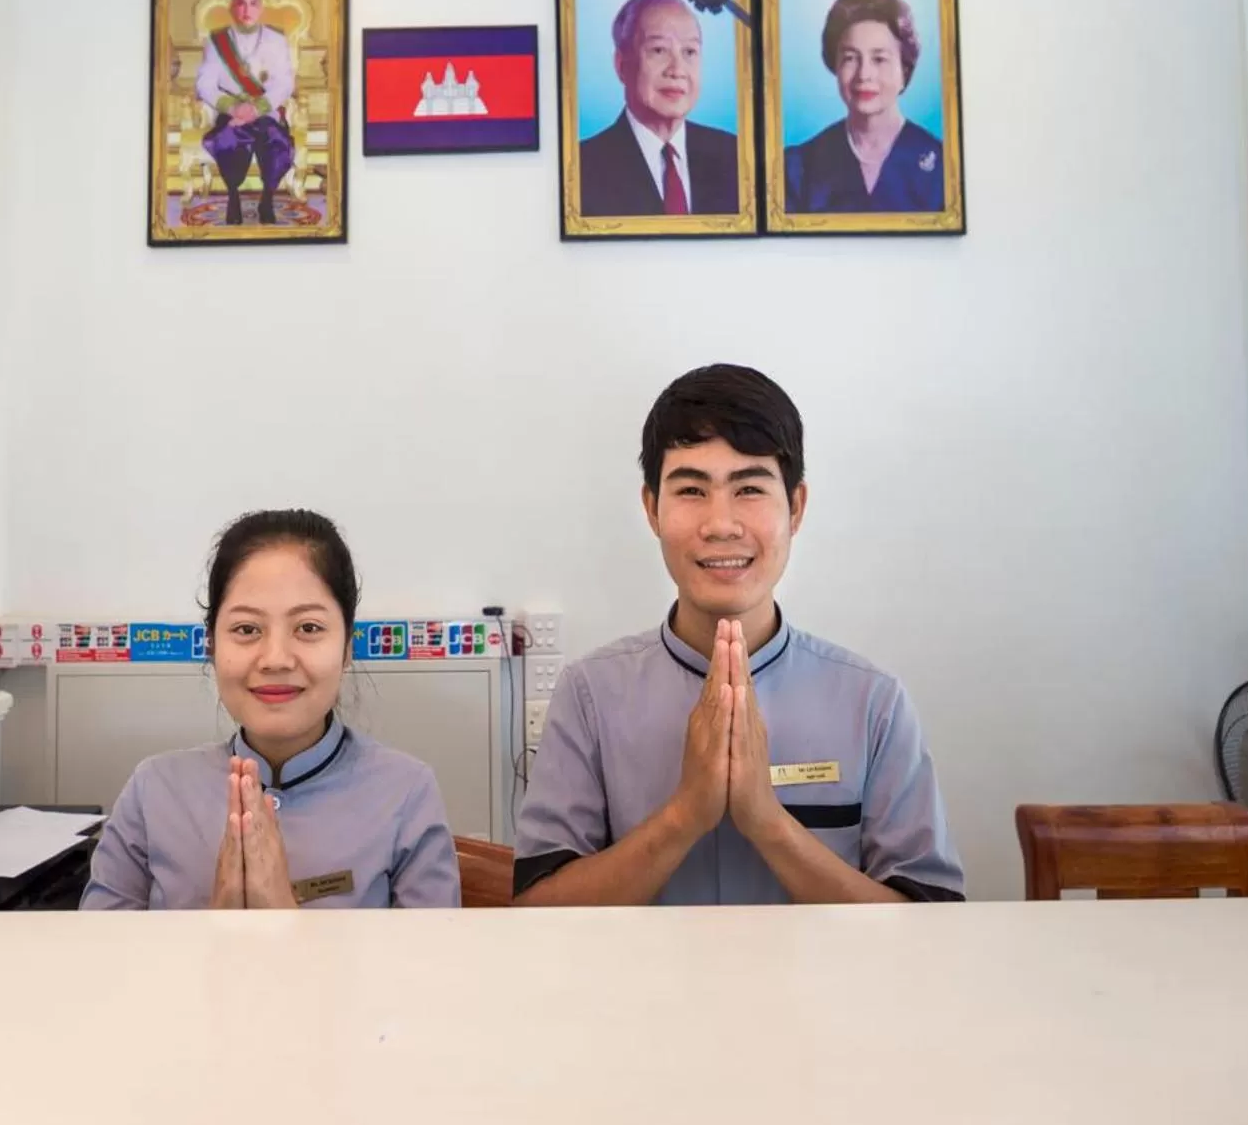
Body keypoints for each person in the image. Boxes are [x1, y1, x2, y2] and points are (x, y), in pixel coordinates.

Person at [514, 364, 964, 905]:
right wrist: (684, 815)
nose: (721, 523)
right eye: (691, 490)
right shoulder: (588, 696)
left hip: (825, 991)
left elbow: (930, 928)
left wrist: (767, 821)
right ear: (652, 508)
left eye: (749, 488)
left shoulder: (874, 702)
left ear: (795, 507)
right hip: (640, 991)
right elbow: (536, 913)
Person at [81, 510, 460, 909]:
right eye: (247, 630)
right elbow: (105, 965)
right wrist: (219, 923)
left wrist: (283, 918)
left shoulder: (406, 792)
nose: (275, 659)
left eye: (308, 628)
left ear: (348, 647)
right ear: (211, 645)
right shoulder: (153, 791)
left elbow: (426, 969)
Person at [577, 0, 740, 217]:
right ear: (622, 65)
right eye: (659, 50)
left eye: (689, 52)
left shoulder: (735, 156)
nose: (677, 70)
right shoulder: (580, 168)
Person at [784, 0, 944, 215]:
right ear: (835, 66)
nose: (864, 74)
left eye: (879, 59)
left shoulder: (943, 166)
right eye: (850, 58)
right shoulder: (798, 167)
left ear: (905, 70)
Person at [193, 0, 297, 226]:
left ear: (261, 8)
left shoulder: (276, 39)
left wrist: (257, 108)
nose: (246, 10)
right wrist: (232, 108)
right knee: (229, 141)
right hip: (232, 115)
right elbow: (204, 83)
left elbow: (284, 83)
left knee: (276, 142)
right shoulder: (217, 41)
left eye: (253, 3)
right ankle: (233, 196)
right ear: (232, 8)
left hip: (264, 113)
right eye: (240, 3)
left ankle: (267, 199)